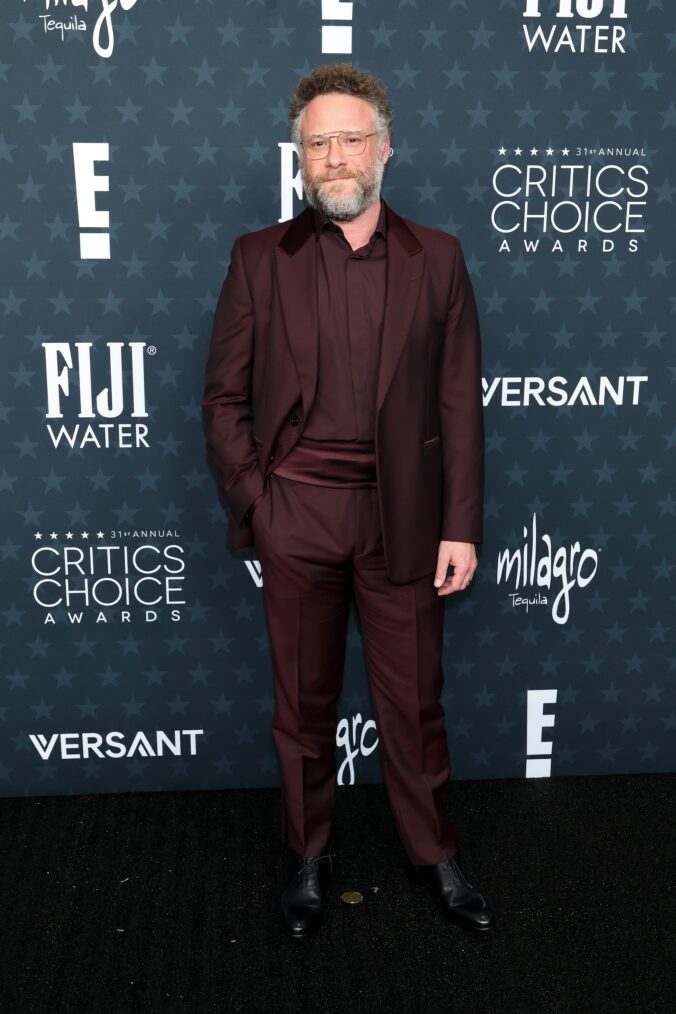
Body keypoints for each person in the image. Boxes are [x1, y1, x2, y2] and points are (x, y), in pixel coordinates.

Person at [202, 63, 493, 937]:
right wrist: (260, 504)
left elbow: (458, 401)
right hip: (298, 513)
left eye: (351, 139)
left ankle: (433, 853)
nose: (335, 157)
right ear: (301, 158)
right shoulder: (259, 257)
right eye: (318, 143)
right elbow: (222, 399)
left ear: (386, 148)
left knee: (415, 703)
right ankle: (308, 854)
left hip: (403, 517)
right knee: (303, 702)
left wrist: (460, 526)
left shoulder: (437, 257)